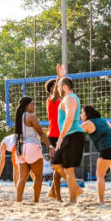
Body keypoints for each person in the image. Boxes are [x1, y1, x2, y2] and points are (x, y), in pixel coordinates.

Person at [80, 105, 111, 204]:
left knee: (100, 175)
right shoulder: (102, 120)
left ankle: (101, 201)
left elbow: (75, 132)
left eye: (82, 113)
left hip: (107, 147)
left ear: (87, 114)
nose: (80, 115)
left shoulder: (87, 123)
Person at [51, 77, 85, 203]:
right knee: (56, 164)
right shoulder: (70, 98)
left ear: (65, 87)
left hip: (73, 134)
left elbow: (69, 118)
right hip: (70, 135)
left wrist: (60, 137)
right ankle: (76, 189)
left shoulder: (69, 98)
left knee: (69, 169)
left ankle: (72, 200)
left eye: (59, 86)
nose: (58, 89)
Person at [12, 96, 52, 203]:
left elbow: (29, 130)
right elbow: (41, 133)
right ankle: (36, 201)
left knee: (22, 178)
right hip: (31, 147)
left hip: (20, 148)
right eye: (33, 104)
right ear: (28, 105)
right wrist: (50, 146)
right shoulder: (31, 116)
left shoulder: (19, 117)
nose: (34, 106)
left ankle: (18, 201)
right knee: (38, 176)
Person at [46, 64, 66, 197]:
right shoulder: (51, 100)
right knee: (59, 167)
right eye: (56, 86)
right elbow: (56, 94)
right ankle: (57, 196)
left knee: (61, 167)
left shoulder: (63, 100)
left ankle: (53, 191)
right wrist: (59, 77)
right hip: (54, 135)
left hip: (62, 135)